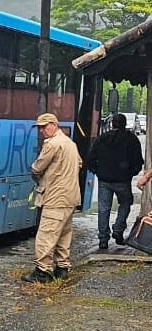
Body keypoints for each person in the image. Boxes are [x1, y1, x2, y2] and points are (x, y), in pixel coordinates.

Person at [22, 113, 83, 283]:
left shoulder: (52, 144)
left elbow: (38, 167)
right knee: (64, 234)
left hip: (55, 197)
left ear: (54, 125)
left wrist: (42, 174)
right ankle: (62, 268)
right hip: (70, 197)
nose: (41, 131)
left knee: (46, 235)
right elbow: (79, 163)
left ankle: (43, 271)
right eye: (39, 127)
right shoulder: (70, 143)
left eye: (44, 126)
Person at [86, 114, 143, 250]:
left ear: (112, 124)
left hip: (104, 180)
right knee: (125, 203)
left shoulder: (102, 139)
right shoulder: (131, 139)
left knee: (103, 209)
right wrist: (130, 173)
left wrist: (98, 172)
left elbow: (91, 158)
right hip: (123, 180)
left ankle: (103, 239)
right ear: (124, 124)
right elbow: (138, 161)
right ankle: (118, 229)